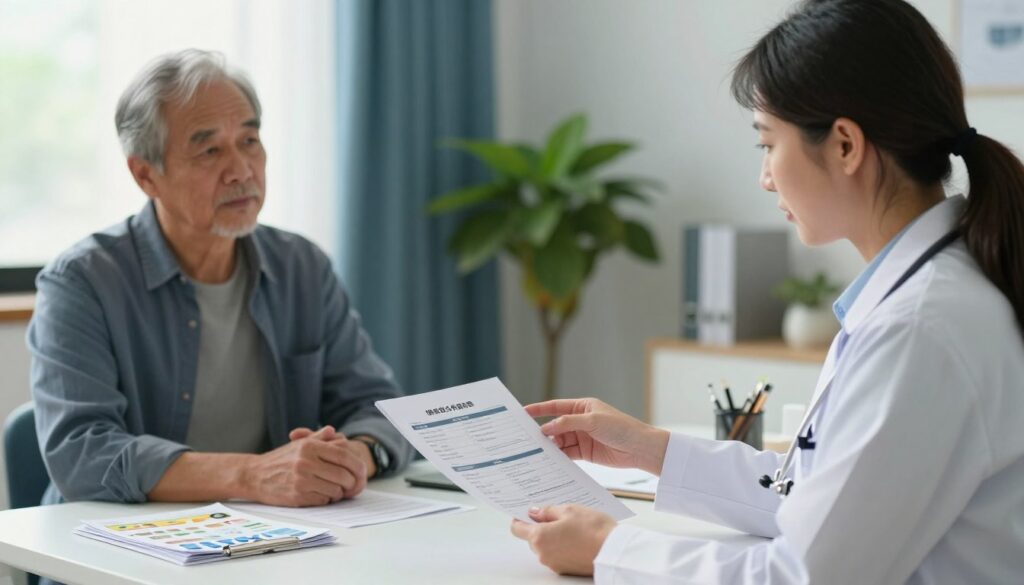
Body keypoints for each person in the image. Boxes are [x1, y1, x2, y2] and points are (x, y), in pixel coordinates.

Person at [511, 1, 1024, 583]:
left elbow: (800, 576)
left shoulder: (920, 329)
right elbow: (818, 494)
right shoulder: (932, 291)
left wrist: (612, 549)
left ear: (845, 146)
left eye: (766, 143)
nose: (765, 176)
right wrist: (652, 449)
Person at [28, 49, 414, 511]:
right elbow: (80, 453)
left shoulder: (301, 267)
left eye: (249, 141)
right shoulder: (82, 283)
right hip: (117, 548)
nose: (241, 170)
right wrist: (253, 474)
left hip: (268, 540)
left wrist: (356, 455)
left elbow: (378, 406)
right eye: (209, 149)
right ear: (146, 174)